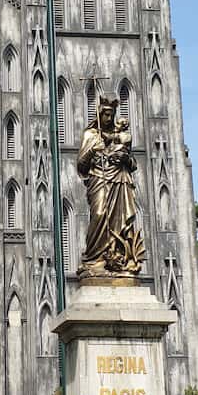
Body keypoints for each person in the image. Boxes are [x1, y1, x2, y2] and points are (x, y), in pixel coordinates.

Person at [76, 95, 145, 278]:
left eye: (111, 114)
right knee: (99, 215)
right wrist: (92, 150)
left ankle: (117, 257)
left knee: (120, 220)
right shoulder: (91, 135)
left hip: (119, 181)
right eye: (105, 114)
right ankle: (94, 258)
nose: (108, 118)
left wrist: (125, 159)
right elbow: (81, 165)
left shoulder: (120, 136)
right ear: (99, 115)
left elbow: (133, 164)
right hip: (99, 179)